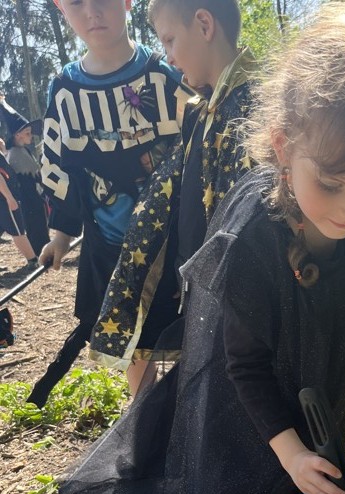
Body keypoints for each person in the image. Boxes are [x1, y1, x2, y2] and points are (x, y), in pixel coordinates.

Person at [60, 3, 345, 494]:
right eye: (332, 184)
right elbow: (246, 364)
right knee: (238, 479)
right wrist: (289, 452)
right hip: (240, 387)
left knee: (316, 468)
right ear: (284, 148)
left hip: (324, 373)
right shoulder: (256, 229)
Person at [30, 0, 192, 407]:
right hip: (109, 247)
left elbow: (199, 150)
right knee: (133, 343)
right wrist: (61, 236)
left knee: (189, 331)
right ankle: (144, 416)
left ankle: (193, 415)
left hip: (173, 245)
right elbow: (61, 169)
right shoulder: (64, 91)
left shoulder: (165, 74)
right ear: (60, 8)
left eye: (102, 0)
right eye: (76, 3)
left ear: (127, 2)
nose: (92, 12)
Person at [89, 0, 255, 395]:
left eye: (169, 40)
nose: (168, 56)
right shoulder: (201, 110)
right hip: (192, 282)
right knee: (178, 378)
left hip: (235, 299)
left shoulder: (252, 109)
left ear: (204, 24)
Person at [0, 97, 50, 257]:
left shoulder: (24, 151)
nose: (31, 135)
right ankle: (38, 254)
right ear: (17, 135)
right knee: (34, 227)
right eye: (27, 133)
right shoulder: (14, 155)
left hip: (35, 198)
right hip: (27, 200)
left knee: (40, 225)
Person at [0, 137, 39, 273]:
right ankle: (33, 260)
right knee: (18, 231)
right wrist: (9, 198)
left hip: (4, 198)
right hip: (4, 199)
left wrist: (3, 150)